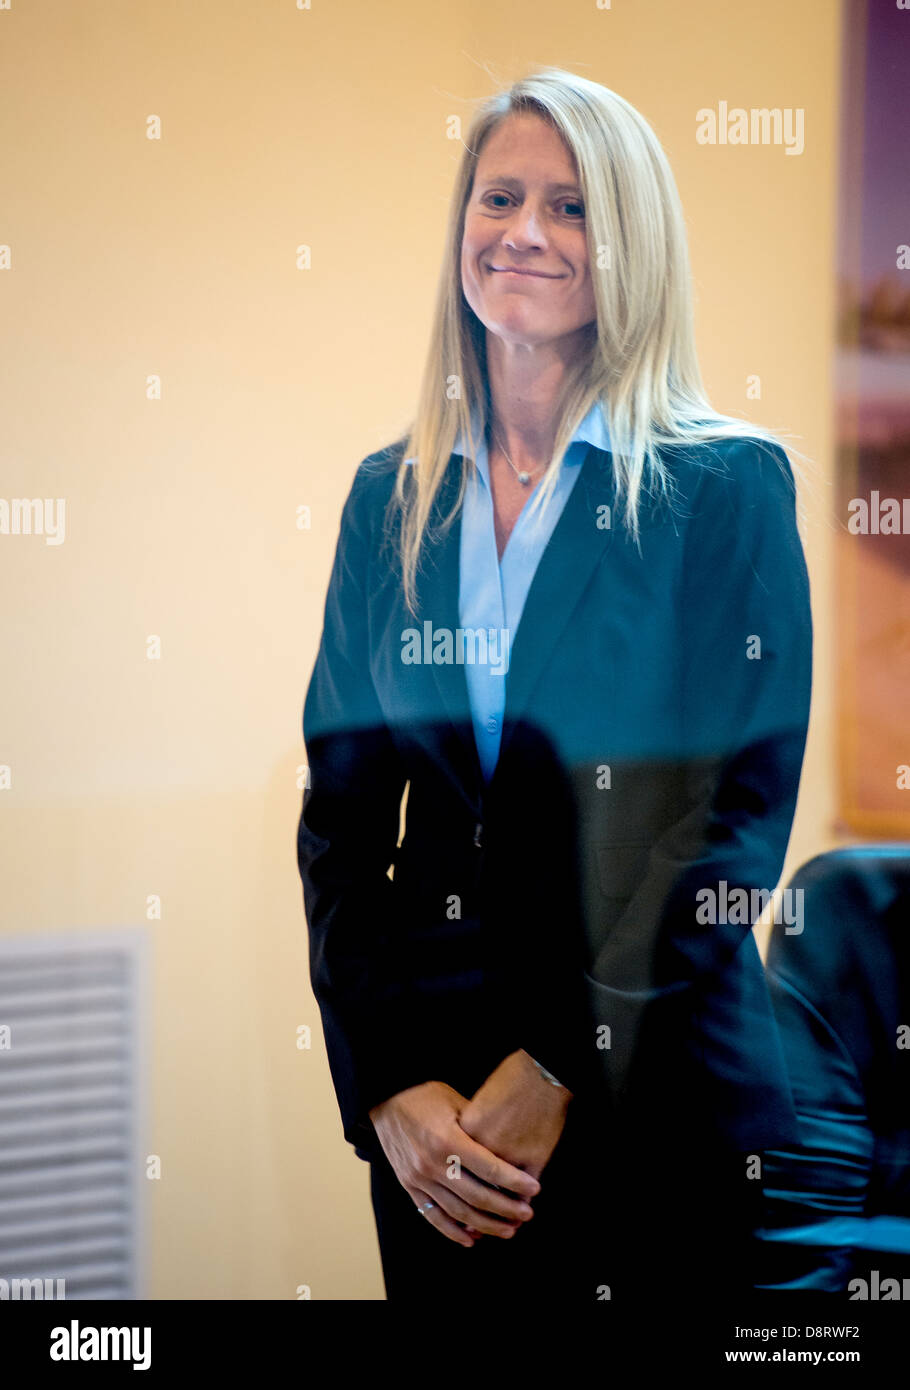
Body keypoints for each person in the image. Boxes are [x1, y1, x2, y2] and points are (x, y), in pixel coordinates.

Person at [297, 67, 813, 1304]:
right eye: (500, 198)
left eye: (572, 207)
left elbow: (733, 824)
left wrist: (560, 1061)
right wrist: (384, 1082)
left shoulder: (725, 486)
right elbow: (340, 820)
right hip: (439, 1137)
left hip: (657, 1102)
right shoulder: (391, 496)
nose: (524, 232)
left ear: (629, 242)